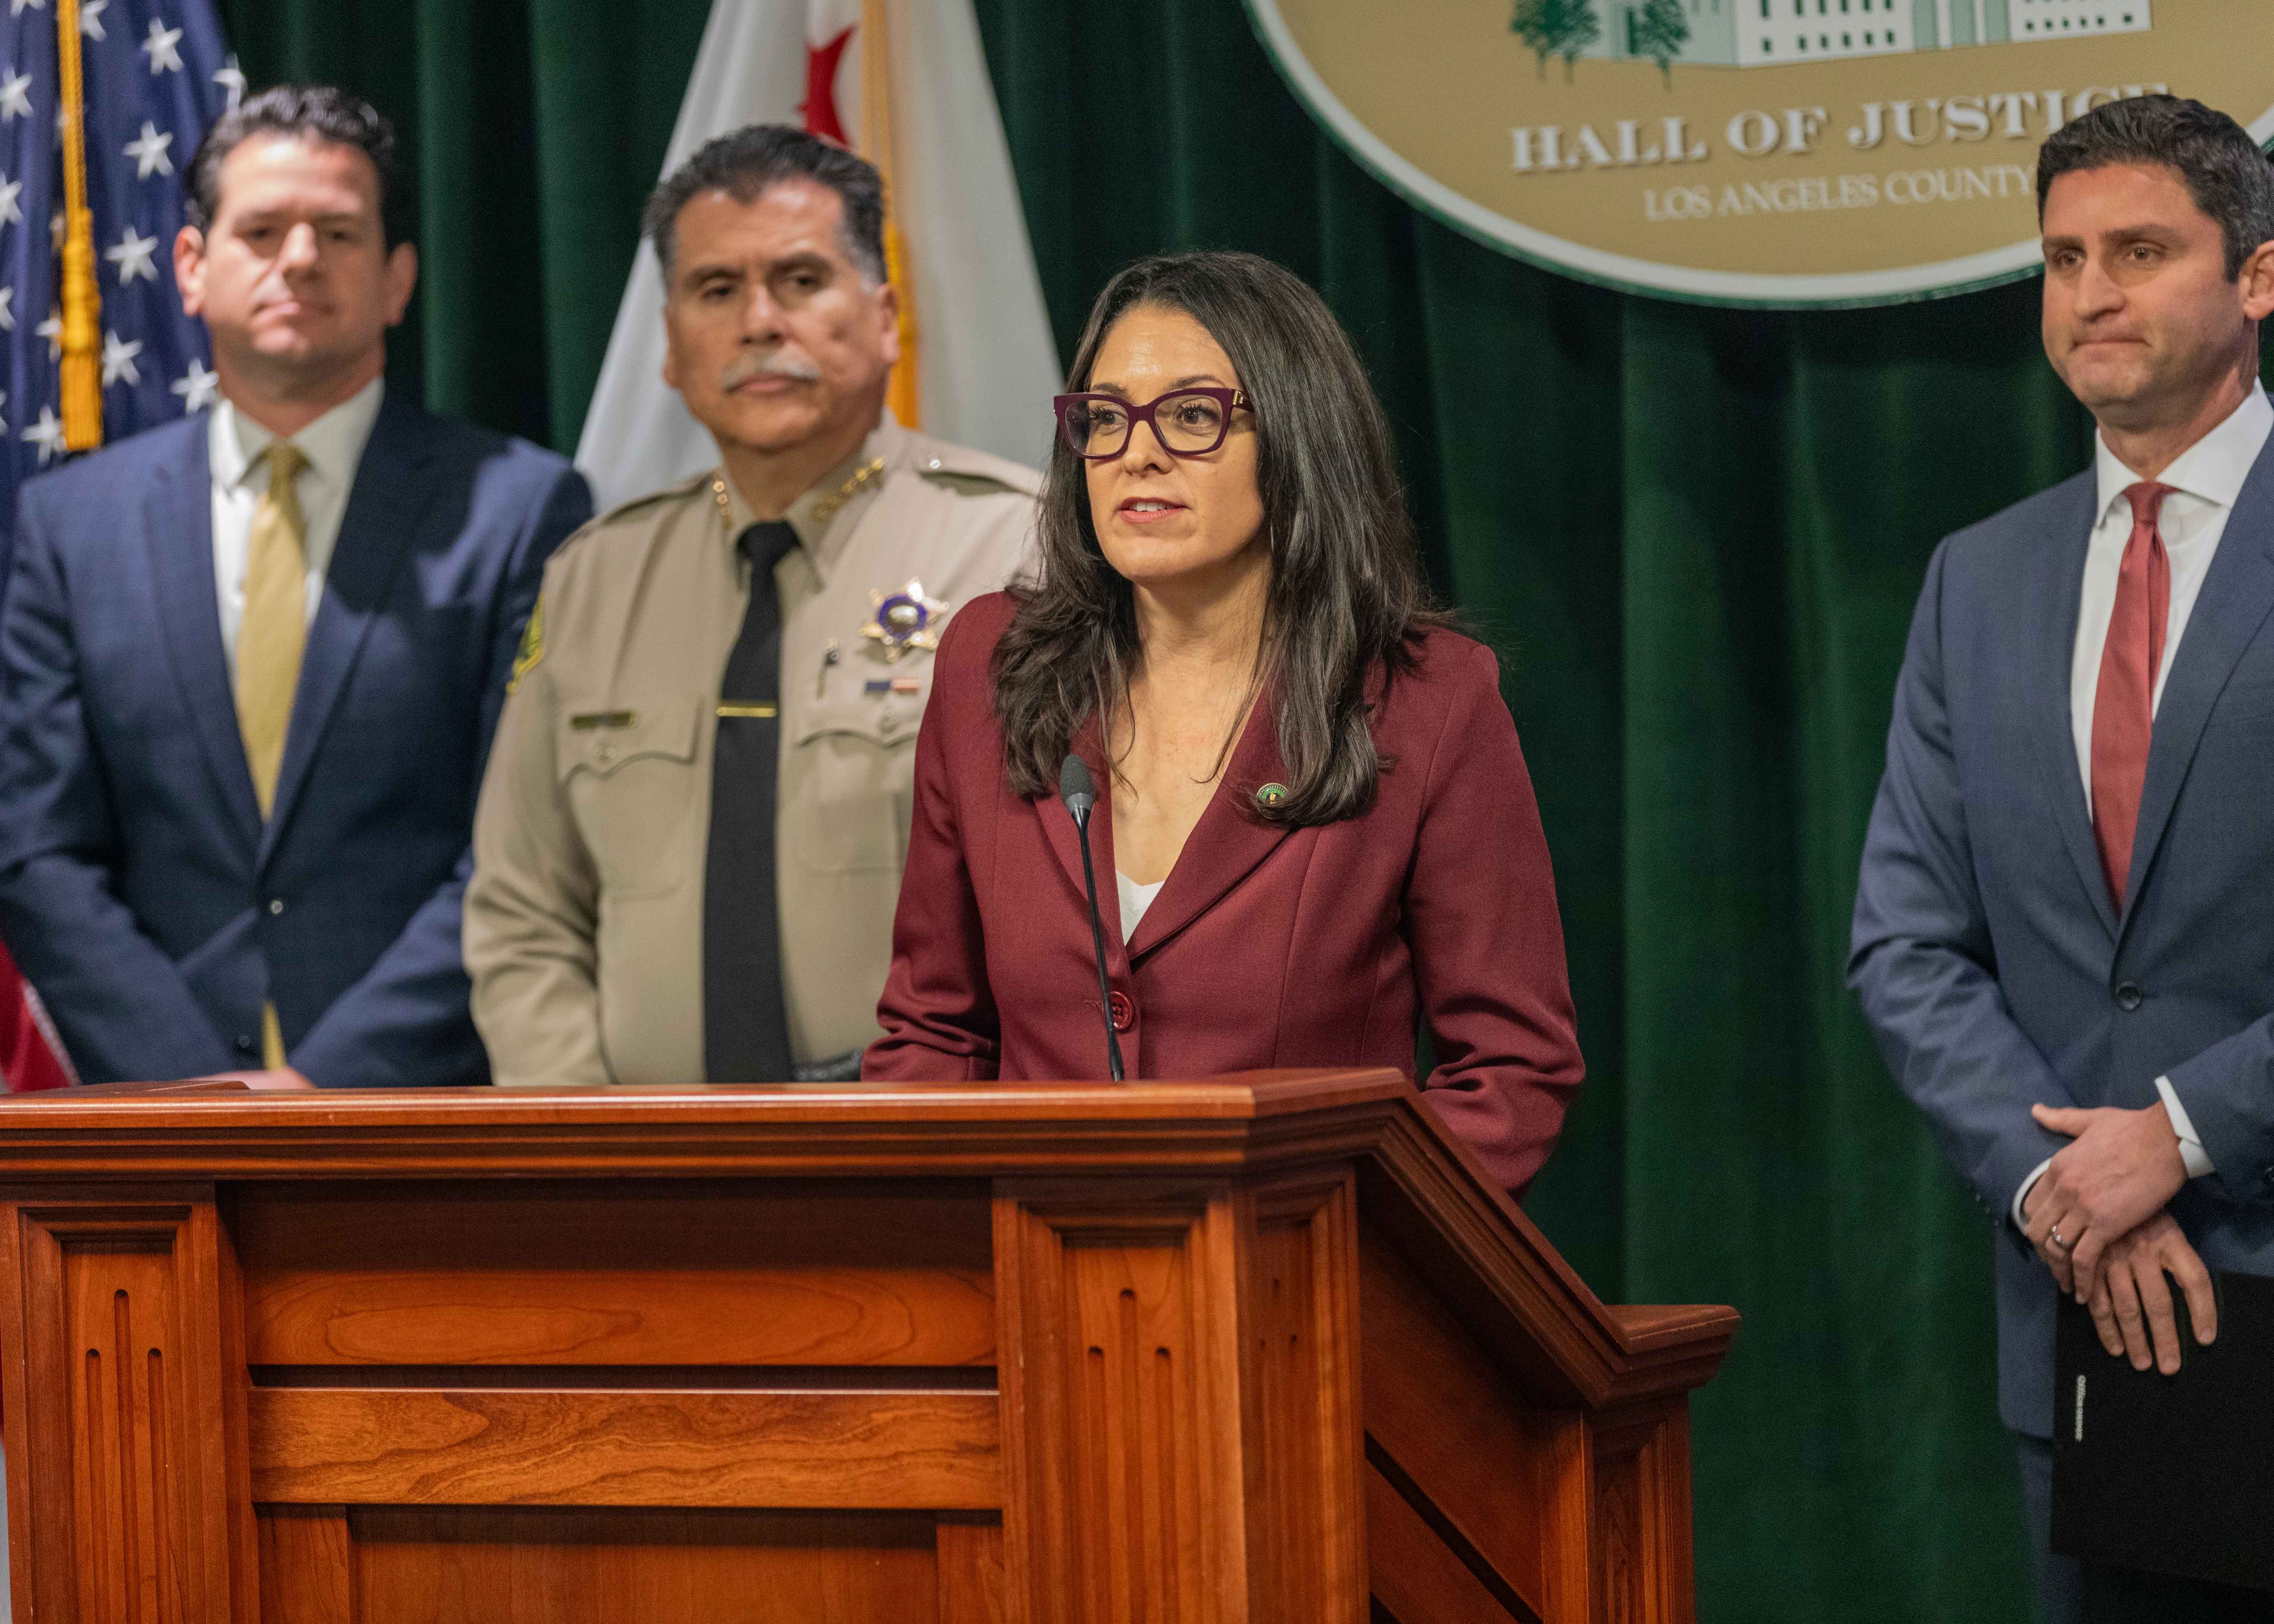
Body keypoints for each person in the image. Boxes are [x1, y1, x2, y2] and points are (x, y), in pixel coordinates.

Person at [863, 250, 1583, 1195]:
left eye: (1194, 416)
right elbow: (934, 1028)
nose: (1137, 452)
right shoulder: (987, 665)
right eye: (1106, 418)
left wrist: (1335, 1242)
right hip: (1030, 1281)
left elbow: (1511, 1068)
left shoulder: (1429, 699)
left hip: (1310, 1289)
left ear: (1296, 439)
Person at [1851, 96, 2274, 1622]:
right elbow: (1902, 941)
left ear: (2257, 277)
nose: (2090, 293)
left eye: (2140, 250)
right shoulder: (1979, 577)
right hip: (2086, 1328)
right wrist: (2054, 1180)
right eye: (2061, 257)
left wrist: (2178, 1130)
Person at [0, 85, 589, 1089]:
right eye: (264, 230)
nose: (301, 258)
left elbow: (527, 846)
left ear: (399, 280)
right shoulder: (72, 524)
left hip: (421, 1110)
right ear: (191, 267)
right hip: (155, 1116)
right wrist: (194, 1089)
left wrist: (329, 1082)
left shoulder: (525, 508)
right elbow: (36, 845)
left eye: (339, 232)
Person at [464, 127, 1036, 1087]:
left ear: (887, 316)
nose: (760, 321)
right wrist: (590, 1143)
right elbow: (524, 912)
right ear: (671, 347)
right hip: (643, 1178)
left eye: (802, 280)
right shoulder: (594, 577)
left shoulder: (1019, 550)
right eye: (717, 290)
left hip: (936, 1157)